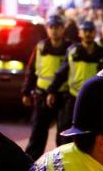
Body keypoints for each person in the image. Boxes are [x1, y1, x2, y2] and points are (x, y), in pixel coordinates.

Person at [48, 20, 103, 138]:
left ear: (95, 33)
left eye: (90, 31)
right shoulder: (72, 52)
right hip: (73, 98)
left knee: (91, 135)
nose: (87, 34)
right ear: (79, 33)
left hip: (95, 101)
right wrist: (51, 91)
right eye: (85, 31)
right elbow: (62, 73)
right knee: (66, 133)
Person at [22, 14, 70, 161]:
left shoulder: (71, 48)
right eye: (51, 27)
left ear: (63, 29)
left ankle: (63, 165)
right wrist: (26, 92)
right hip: (42, 96)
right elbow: (31, 71)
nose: (54, 31)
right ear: (47, 29)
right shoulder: (40, 47)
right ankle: (28, 166)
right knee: (38, 134)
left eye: (57, 27)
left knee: (64, 136)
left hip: (63, 96)